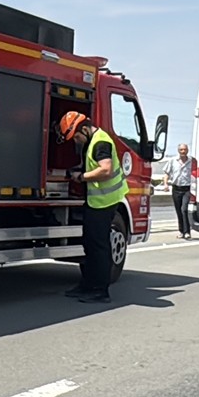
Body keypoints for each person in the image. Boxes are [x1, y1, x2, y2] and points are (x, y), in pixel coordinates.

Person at [58, 111, 127, 304]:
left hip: (105, 201)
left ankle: (99, 290)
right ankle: (87, 285)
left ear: (84, 129)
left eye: (76, 136)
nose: (76, 141)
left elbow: (105, 169)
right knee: (90, 243)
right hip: (97, 201)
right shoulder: (92, 140)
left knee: (98, 247)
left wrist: (82, 177)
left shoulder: (101, 142)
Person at [163, 144, 194, 239]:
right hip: (176, 188)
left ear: (187, 150)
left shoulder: (192, 161)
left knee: (184, 209)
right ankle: (181, 231)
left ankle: (187, 231)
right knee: (178, 211)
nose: (183, 151)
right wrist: (165, 184)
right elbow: (166, 173)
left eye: (184, 149)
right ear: (178, 150)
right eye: (181, 150)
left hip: (187, 189)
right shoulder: (172, 161)